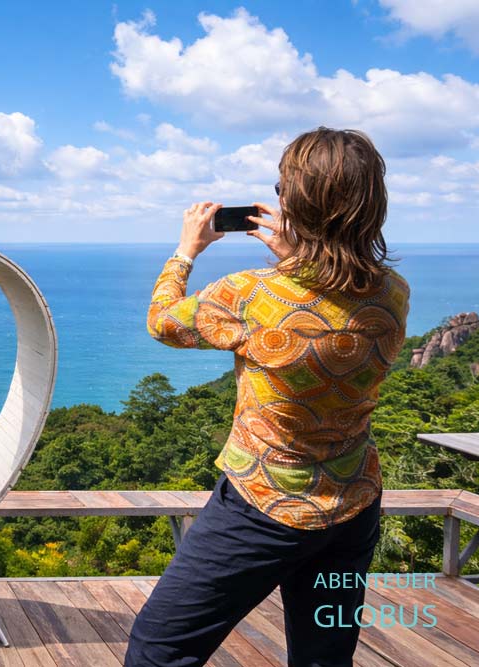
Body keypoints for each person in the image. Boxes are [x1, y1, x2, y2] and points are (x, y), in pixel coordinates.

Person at [124, 127, 410, 667]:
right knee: (324, 657)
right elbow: (332, 298)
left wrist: (186, 250)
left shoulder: (251, 295)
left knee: (159, 648)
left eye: (283, 190)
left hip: (263, 502)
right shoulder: (392, 293)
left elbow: (163, 322)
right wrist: (299, 253)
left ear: (296, 203)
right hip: (354, 500)